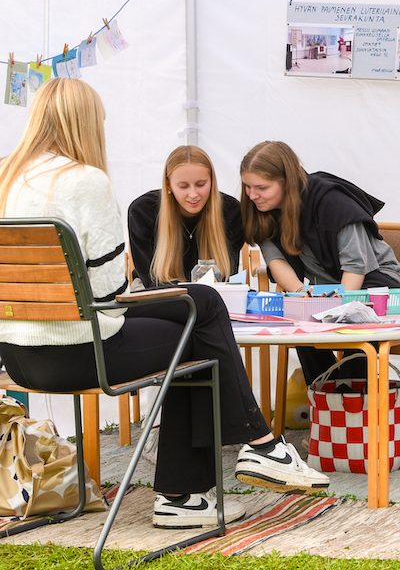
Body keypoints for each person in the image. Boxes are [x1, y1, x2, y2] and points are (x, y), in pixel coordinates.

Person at [0, 80, 329, 530]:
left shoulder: (6, 175)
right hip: (81, 353)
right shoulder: (85, 181)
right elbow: (109, 289)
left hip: (19, 358)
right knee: (199, 315)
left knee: (197, 310)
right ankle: (243, 456)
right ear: (85, 122)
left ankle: (215, 479)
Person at [240, 140, 400, 385]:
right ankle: (323, 392)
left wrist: (339, 309)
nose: (252, 195)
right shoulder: (262, 210)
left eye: (262, 187)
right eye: (247, 187)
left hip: (376, 283)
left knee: (359, 324)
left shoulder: (332, 202)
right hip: (328, 291)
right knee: (298, 322)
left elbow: (356, 266)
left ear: (287, 181)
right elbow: (276, 262)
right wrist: (302, 297)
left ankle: (350, 393)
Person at [128, 145, 244, 288]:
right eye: (183, 186)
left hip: (212, 294)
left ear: (212, 181)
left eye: (201, 184)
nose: (193, 194)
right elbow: (150, 279)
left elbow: (227, 277)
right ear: (168, 184)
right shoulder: (143, 211)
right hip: (156, 291)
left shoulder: (231, 211)